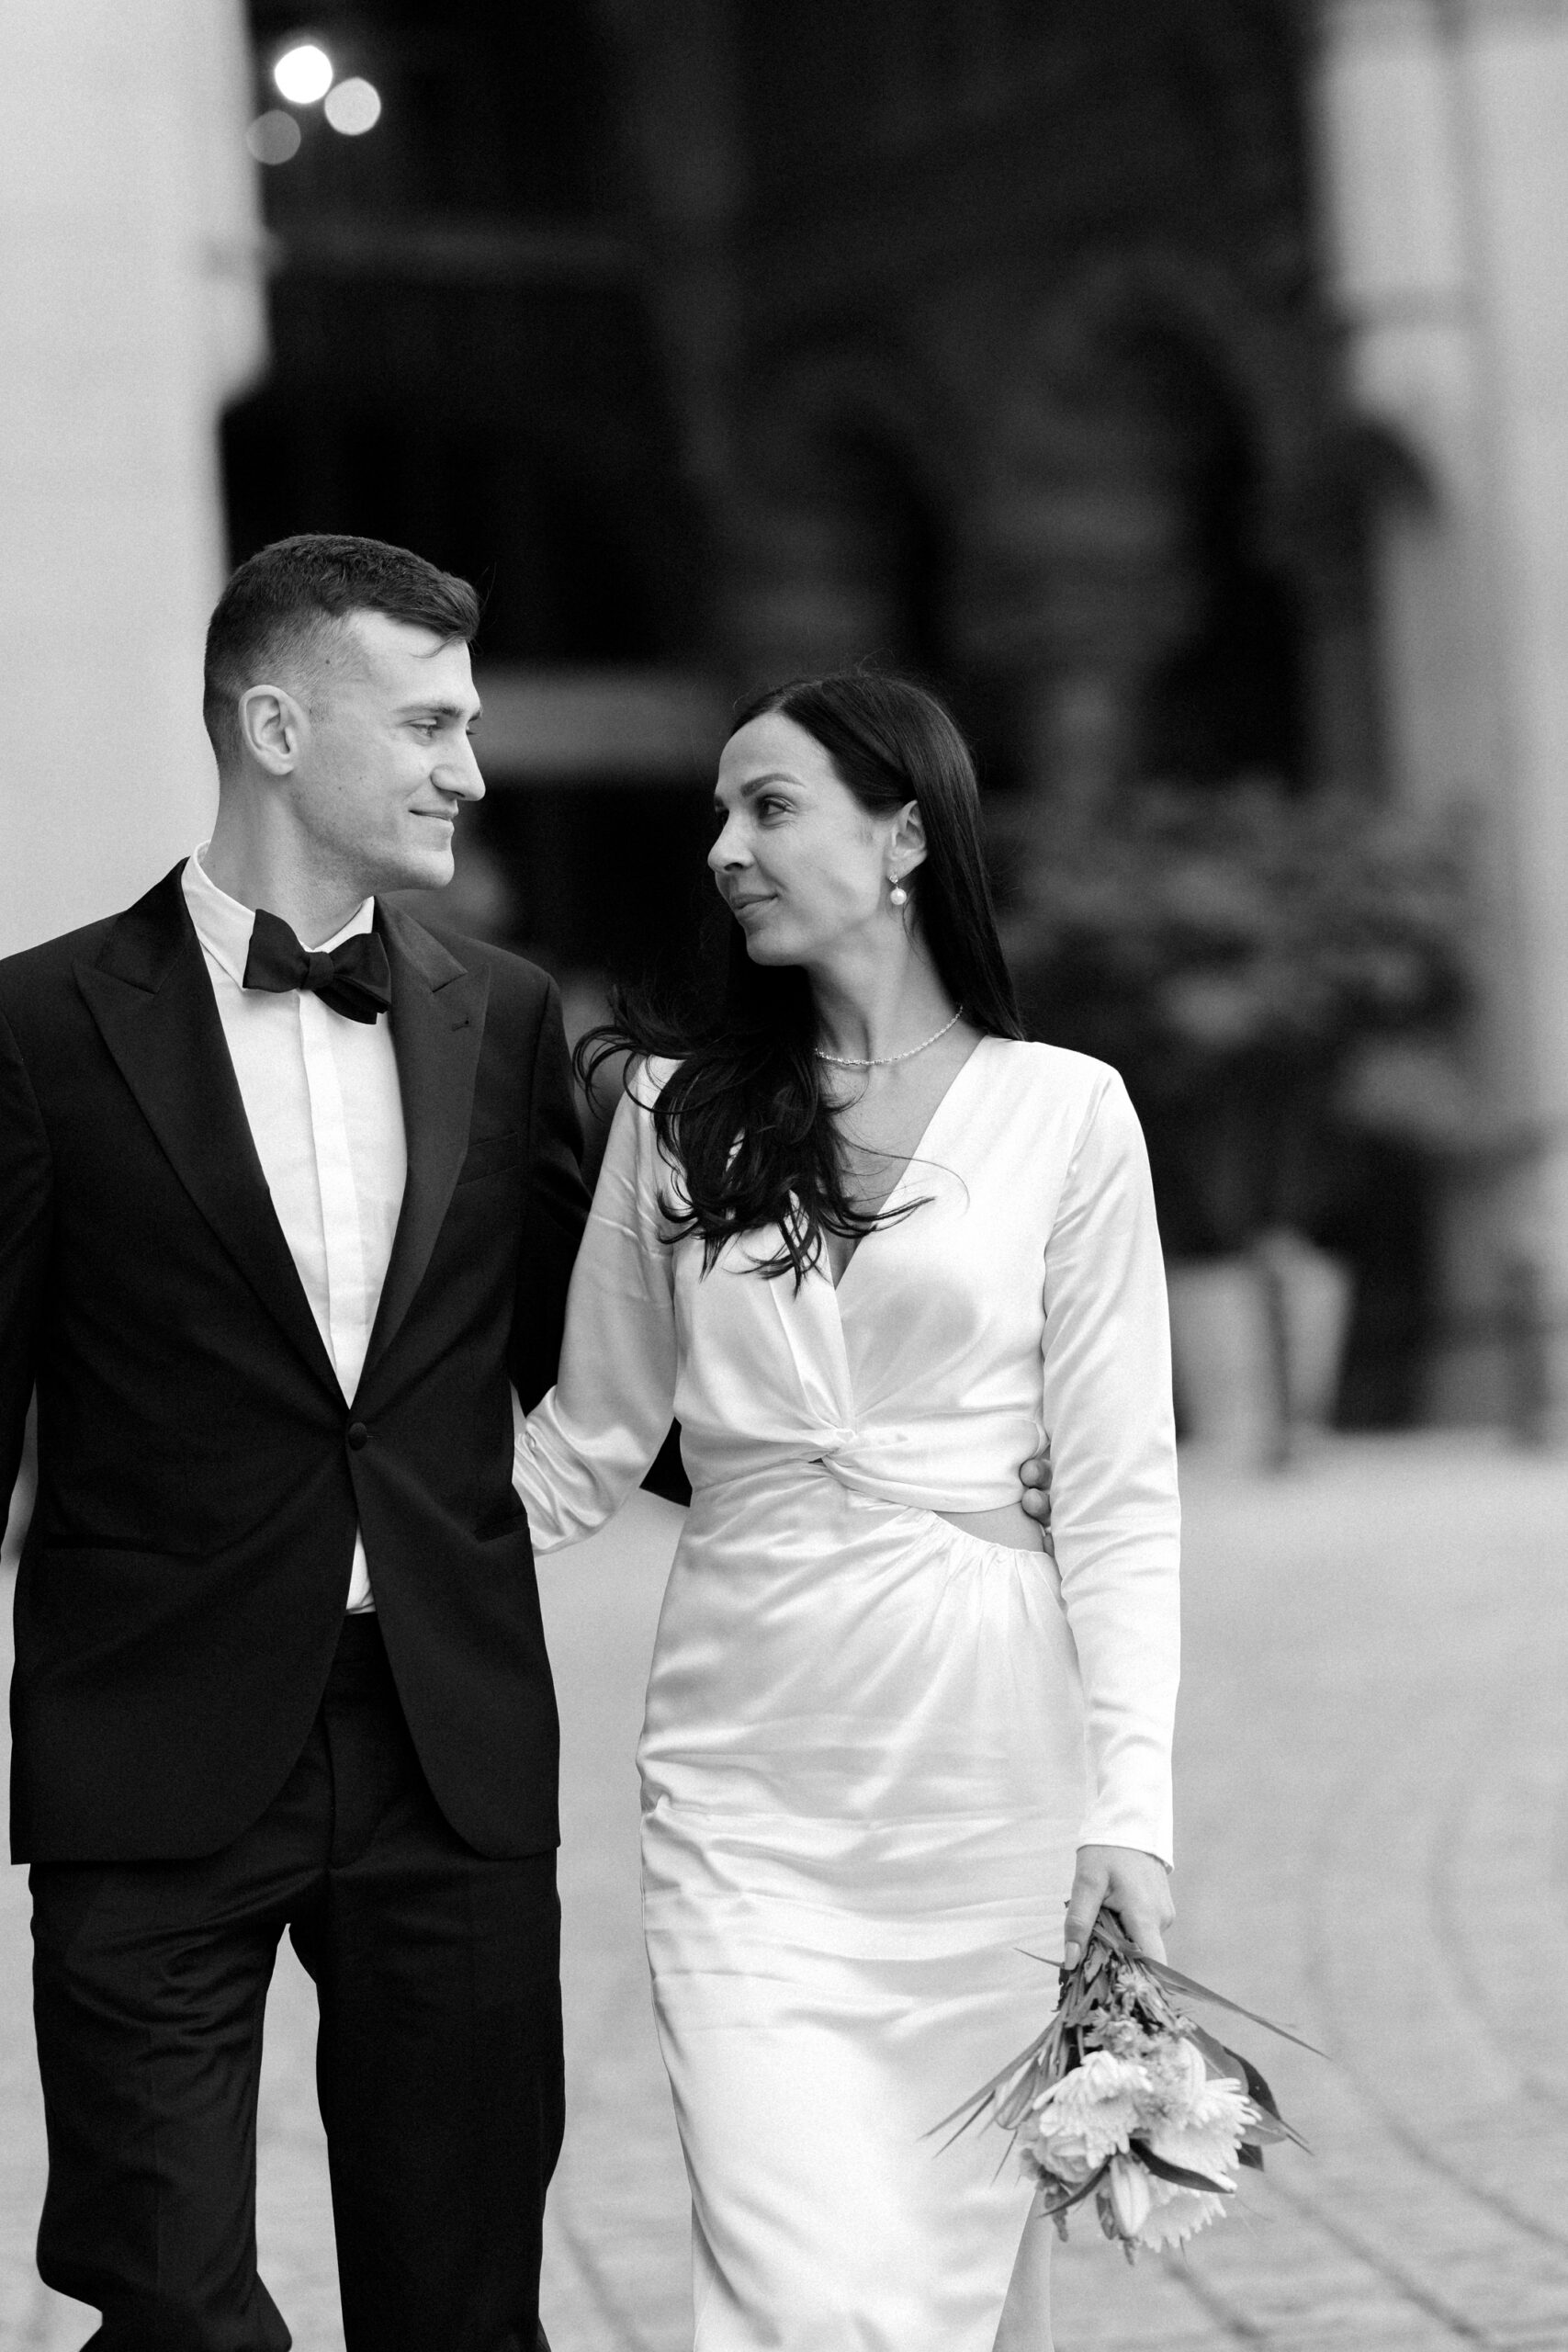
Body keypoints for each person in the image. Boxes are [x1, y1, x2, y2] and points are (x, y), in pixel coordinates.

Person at [509, 671, 1181, 2352]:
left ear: (902, 835)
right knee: (801, 2266)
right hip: (745, 1779)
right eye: (720, 816)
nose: (727, 849)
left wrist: (1132, 1814)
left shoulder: (1069, 1113)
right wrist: (315, 1532)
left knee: (962, 2252)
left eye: (771, 806)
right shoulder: (676, 1116)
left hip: (985, 1771)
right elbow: (582, 1446)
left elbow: (1119, 1495)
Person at [0, 534, 590, 2350]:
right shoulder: (32, 1028)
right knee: (170, 2303)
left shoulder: (503, 1016)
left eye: (468, 723)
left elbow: (613, 1368)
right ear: (273, 723)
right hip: (151, 1743)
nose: (465, 768)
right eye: (423, 721)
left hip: (448, 1744)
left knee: (463, 2304)